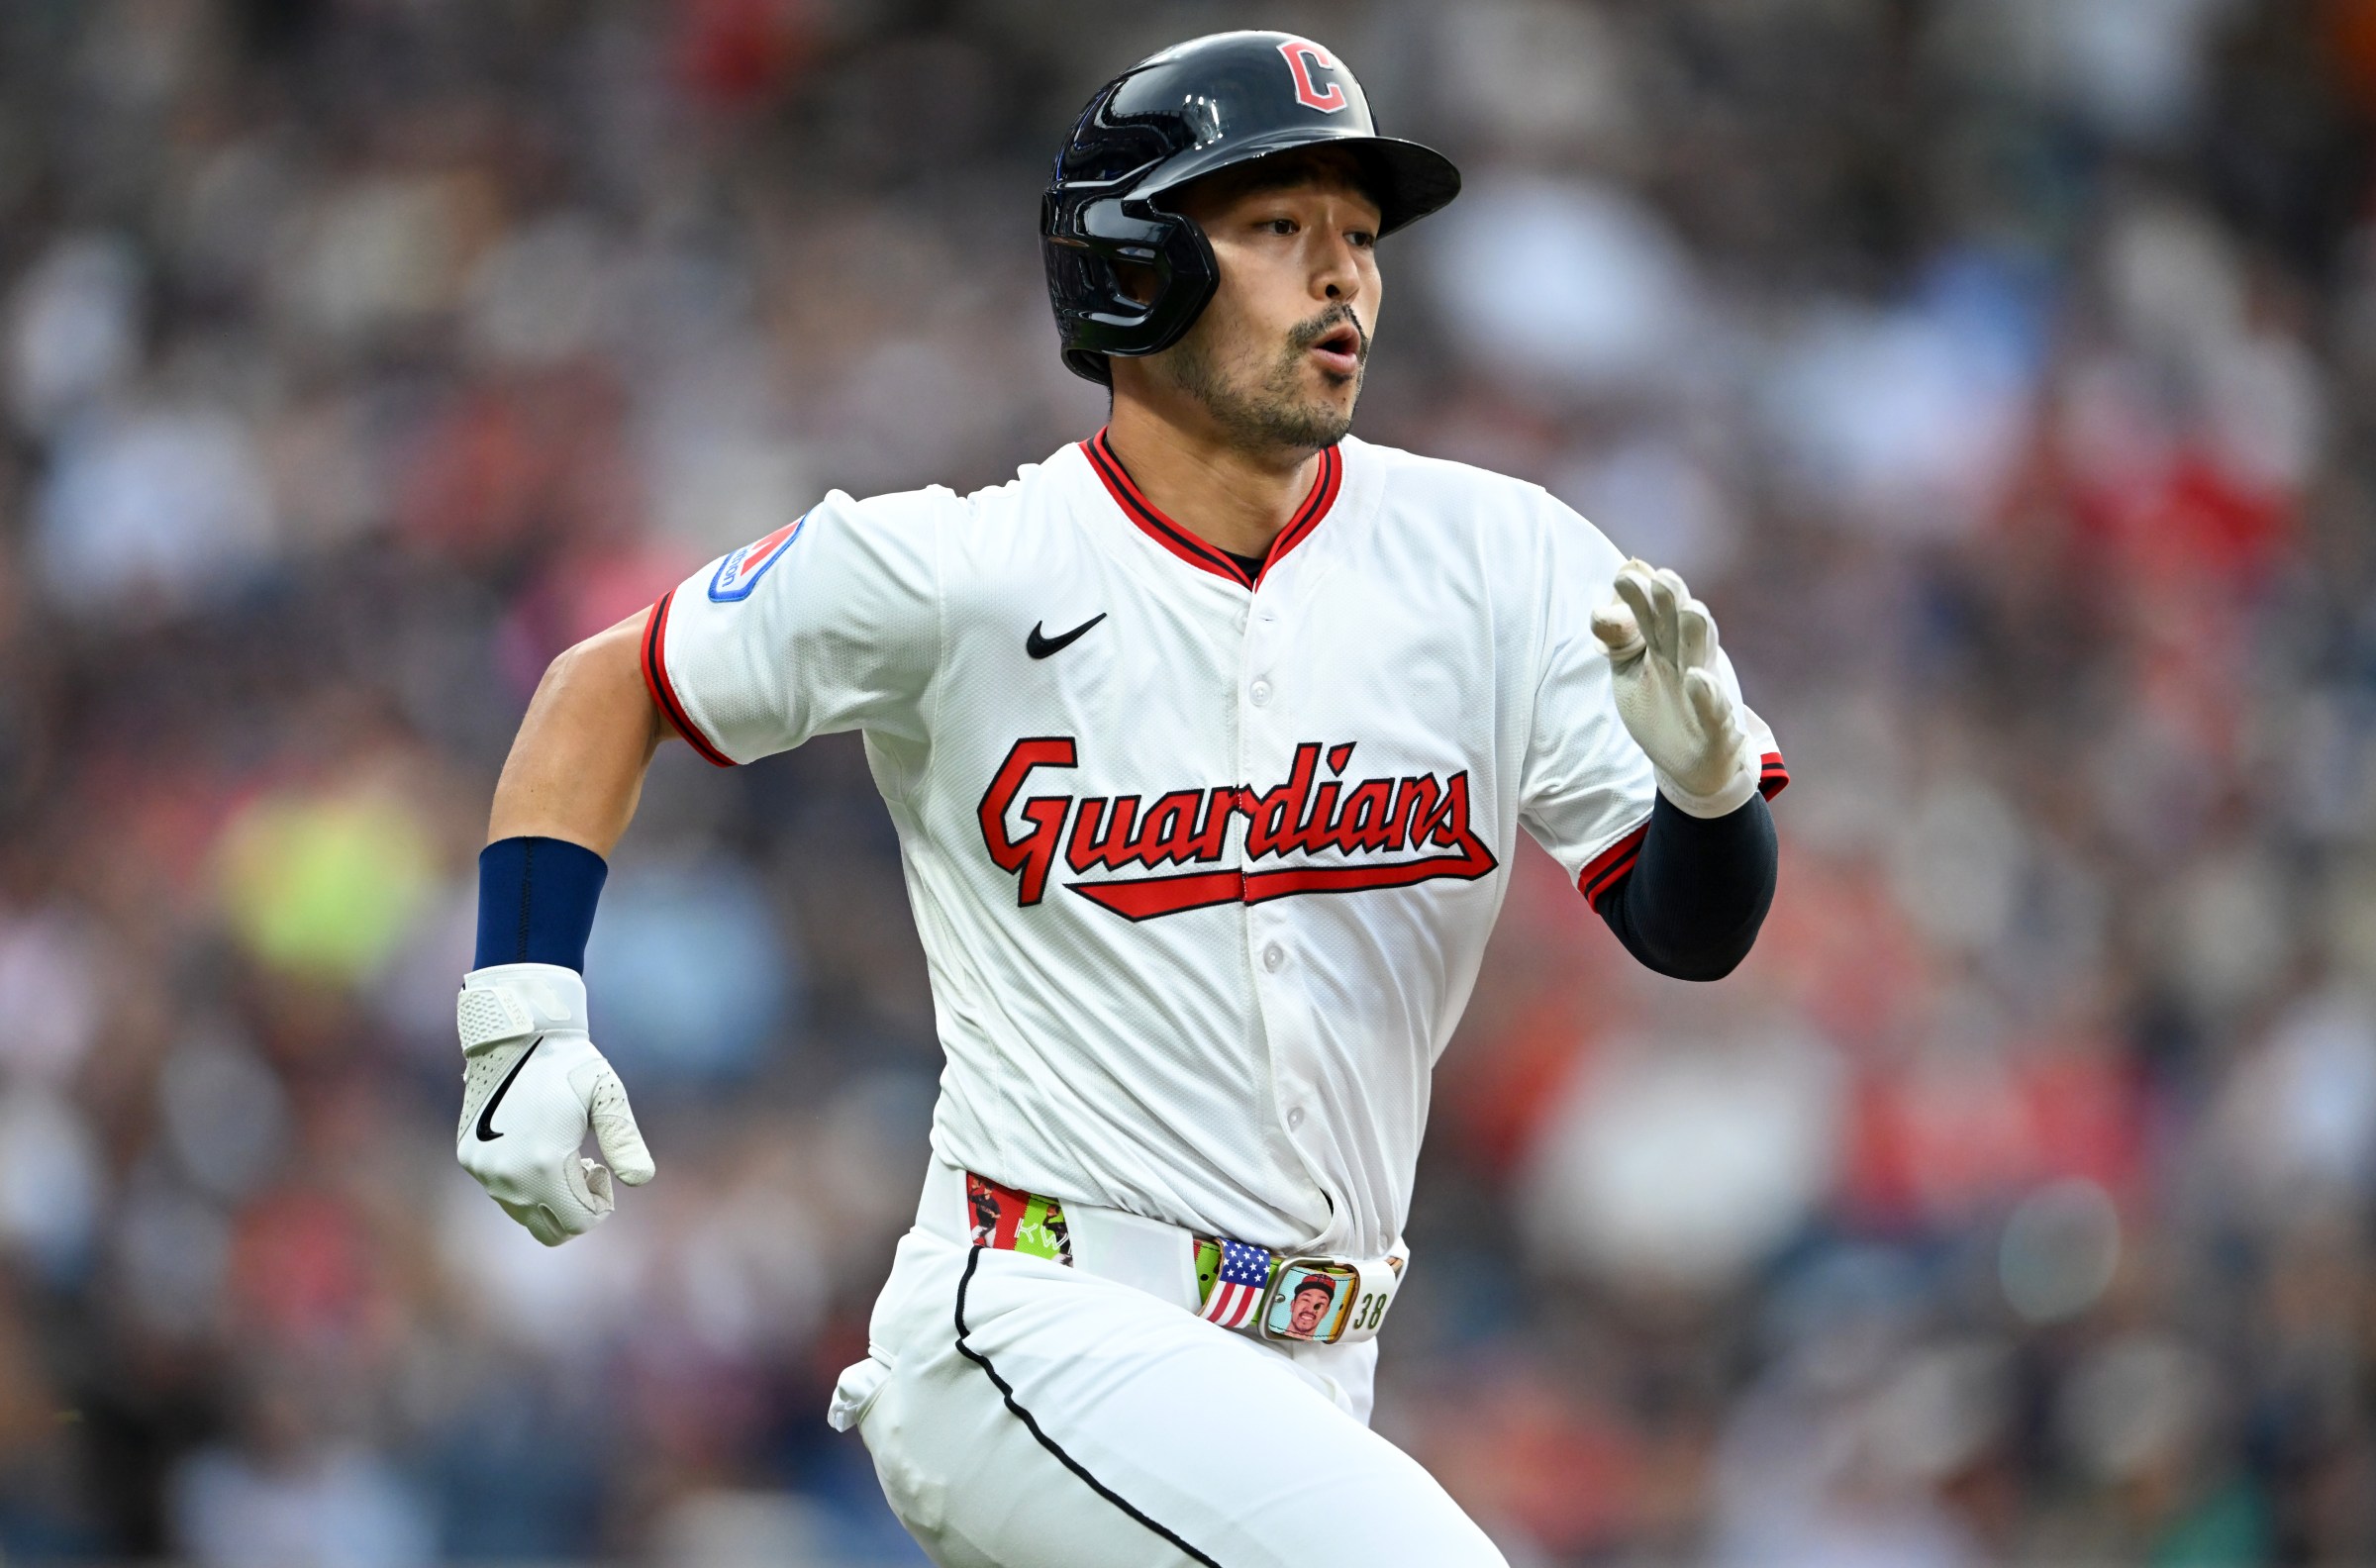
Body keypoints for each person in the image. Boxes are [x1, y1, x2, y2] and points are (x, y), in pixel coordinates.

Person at [451, 29, 1785, 1568]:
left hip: (1313, 1374)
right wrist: (522, 1017)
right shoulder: (962, 568)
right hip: (1038, 1318)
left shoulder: (1504, 559)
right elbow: (608, 684)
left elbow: (1696, 934)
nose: (1342, 276)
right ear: (1131, 264)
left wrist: (1701, 790)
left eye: (1360, 236)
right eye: (1279, 228)